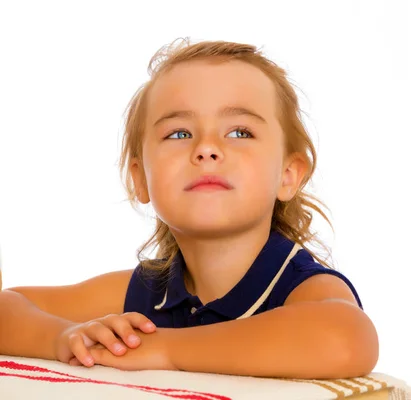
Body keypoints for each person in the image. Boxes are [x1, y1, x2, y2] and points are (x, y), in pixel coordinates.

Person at [0, 38, 379, 379]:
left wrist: (164, 349)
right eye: (179, 134)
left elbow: (347, 337)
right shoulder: (146, 291)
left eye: (239, 132)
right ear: (140, 179)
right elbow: (8, 307)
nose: (207, 148)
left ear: (288, 174)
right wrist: (64, 338)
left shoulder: (300, 285)